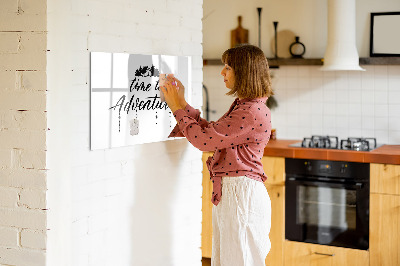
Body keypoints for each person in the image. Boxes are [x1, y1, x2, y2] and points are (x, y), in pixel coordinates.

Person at [161, 44, 273, 266]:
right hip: (236, 193)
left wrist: (176, 107)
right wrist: (182, 103)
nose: (222, 72)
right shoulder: (246, 106)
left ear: (244, 72)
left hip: (241, 195)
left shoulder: (250, 111)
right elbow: (212, 133)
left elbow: (204, 141)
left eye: (228, 67)